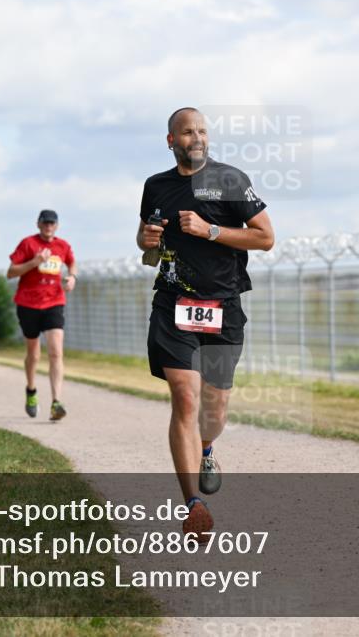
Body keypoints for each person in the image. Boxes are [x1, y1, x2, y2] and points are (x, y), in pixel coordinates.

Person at [136, 107, 274, 540]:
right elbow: (148, 250)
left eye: (202, 131)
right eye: (187, 132)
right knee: (185, 397)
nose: (196, 138)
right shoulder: (155, 186)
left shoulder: (230, 179)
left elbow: (265, 237)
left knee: (213, 410)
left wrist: (210, 231)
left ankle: (208, 448)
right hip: (173, 303)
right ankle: (193, 504)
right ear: (170, 140)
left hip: (223, 305)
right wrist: (145, 241)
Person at [7, 210, 77, 420]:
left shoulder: (62, 246)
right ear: (38, 224)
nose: (48, 227)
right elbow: (10, 272)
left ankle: (56, 402)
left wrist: (71, 277)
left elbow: (72, 262)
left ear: (56, 226)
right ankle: (31, 390)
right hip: (28, 303)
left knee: (56, 352)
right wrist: (34, 262)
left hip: (53, 302)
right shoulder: (28, 244)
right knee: (34, 354)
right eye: (45, 223)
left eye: (52, 224)